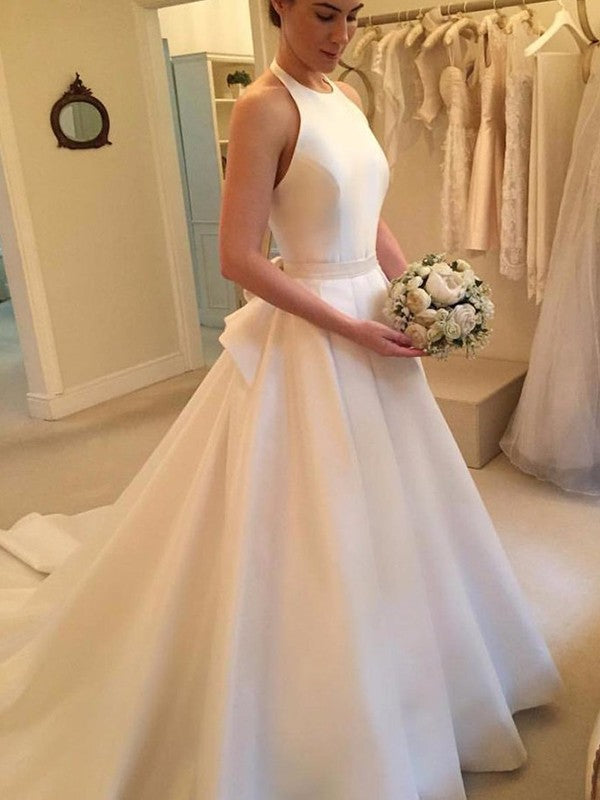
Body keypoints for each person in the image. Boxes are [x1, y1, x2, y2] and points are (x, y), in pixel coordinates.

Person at [0, 1, 563, 799]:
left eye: (353, 16)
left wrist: (422, 287)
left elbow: (369, 220)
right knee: (312, 512)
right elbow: (240, 257)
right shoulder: (264, 107)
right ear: (279, 7)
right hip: (314, 327)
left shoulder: (349, 95)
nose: (342, 35)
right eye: (325, 15)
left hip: (373, 318)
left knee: (404, 502)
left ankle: (427, 677)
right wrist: (350, 326)